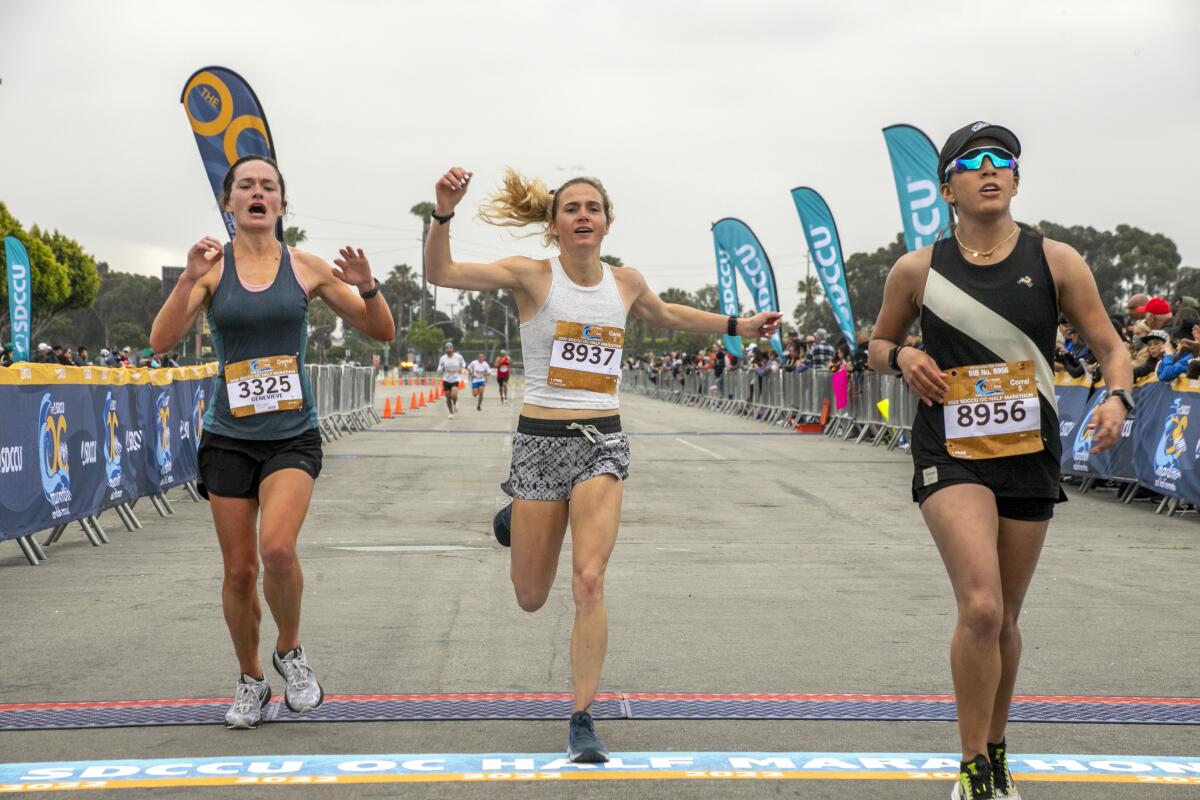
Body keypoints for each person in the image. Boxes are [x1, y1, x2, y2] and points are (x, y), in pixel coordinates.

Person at [426, 165, 780, 763]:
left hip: (600, 440)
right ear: (555, 224)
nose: (583, 215)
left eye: (593, 207)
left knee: (589, 580)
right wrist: (442, 213)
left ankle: (583, 718)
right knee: (531, 596)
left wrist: (737, 326)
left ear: (608, 223)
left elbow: (667, 315)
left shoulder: (626, 282)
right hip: (539, 443)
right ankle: (518, 516)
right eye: (572, 208)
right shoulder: (531, 276)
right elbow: (442, 273)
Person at [868, 122, 1131, 800]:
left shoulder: (1056, 260)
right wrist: (903, 356)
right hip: (948, 450)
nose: (991, 169)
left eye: (1004, 161)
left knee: (1007, 617)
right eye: (973, 161)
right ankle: (972, 766)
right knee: (980, 607)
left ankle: (998, 748)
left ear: (1016, 180)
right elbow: (875, 344)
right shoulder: (918, 268)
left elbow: (1113, 347)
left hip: (1027, 450)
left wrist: (1117, 400)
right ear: (947, 185)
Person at [149, 154, 394, 730]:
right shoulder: (211, 270)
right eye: (245, 186)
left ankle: (291, 651)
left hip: (291, 435)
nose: (257, 193)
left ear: (283, 204)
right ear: (230, 203)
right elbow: (162, 341)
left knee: (277, 550)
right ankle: (251, 681)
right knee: (238, 572)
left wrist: (369, 286)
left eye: (268, 187)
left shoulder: (306, 267)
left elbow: (379, 328)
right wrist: (187, 277)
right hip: (228, 437)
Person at [437, 342, 467, 418]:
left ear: (453, 349)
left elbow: (464, 364)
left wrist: (462, 368)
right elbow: (439, 370)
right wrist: (442, 368)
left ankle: (455, 403)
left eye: (450, 348)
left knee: (453, 395)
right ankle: (450, 413)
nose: (449, 350)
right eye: (447, 348)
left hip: (455, 378)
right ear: (445, 350)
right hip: (446, 379)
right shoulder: (443, 358)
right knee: (448, 397)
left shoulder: (458, 357)